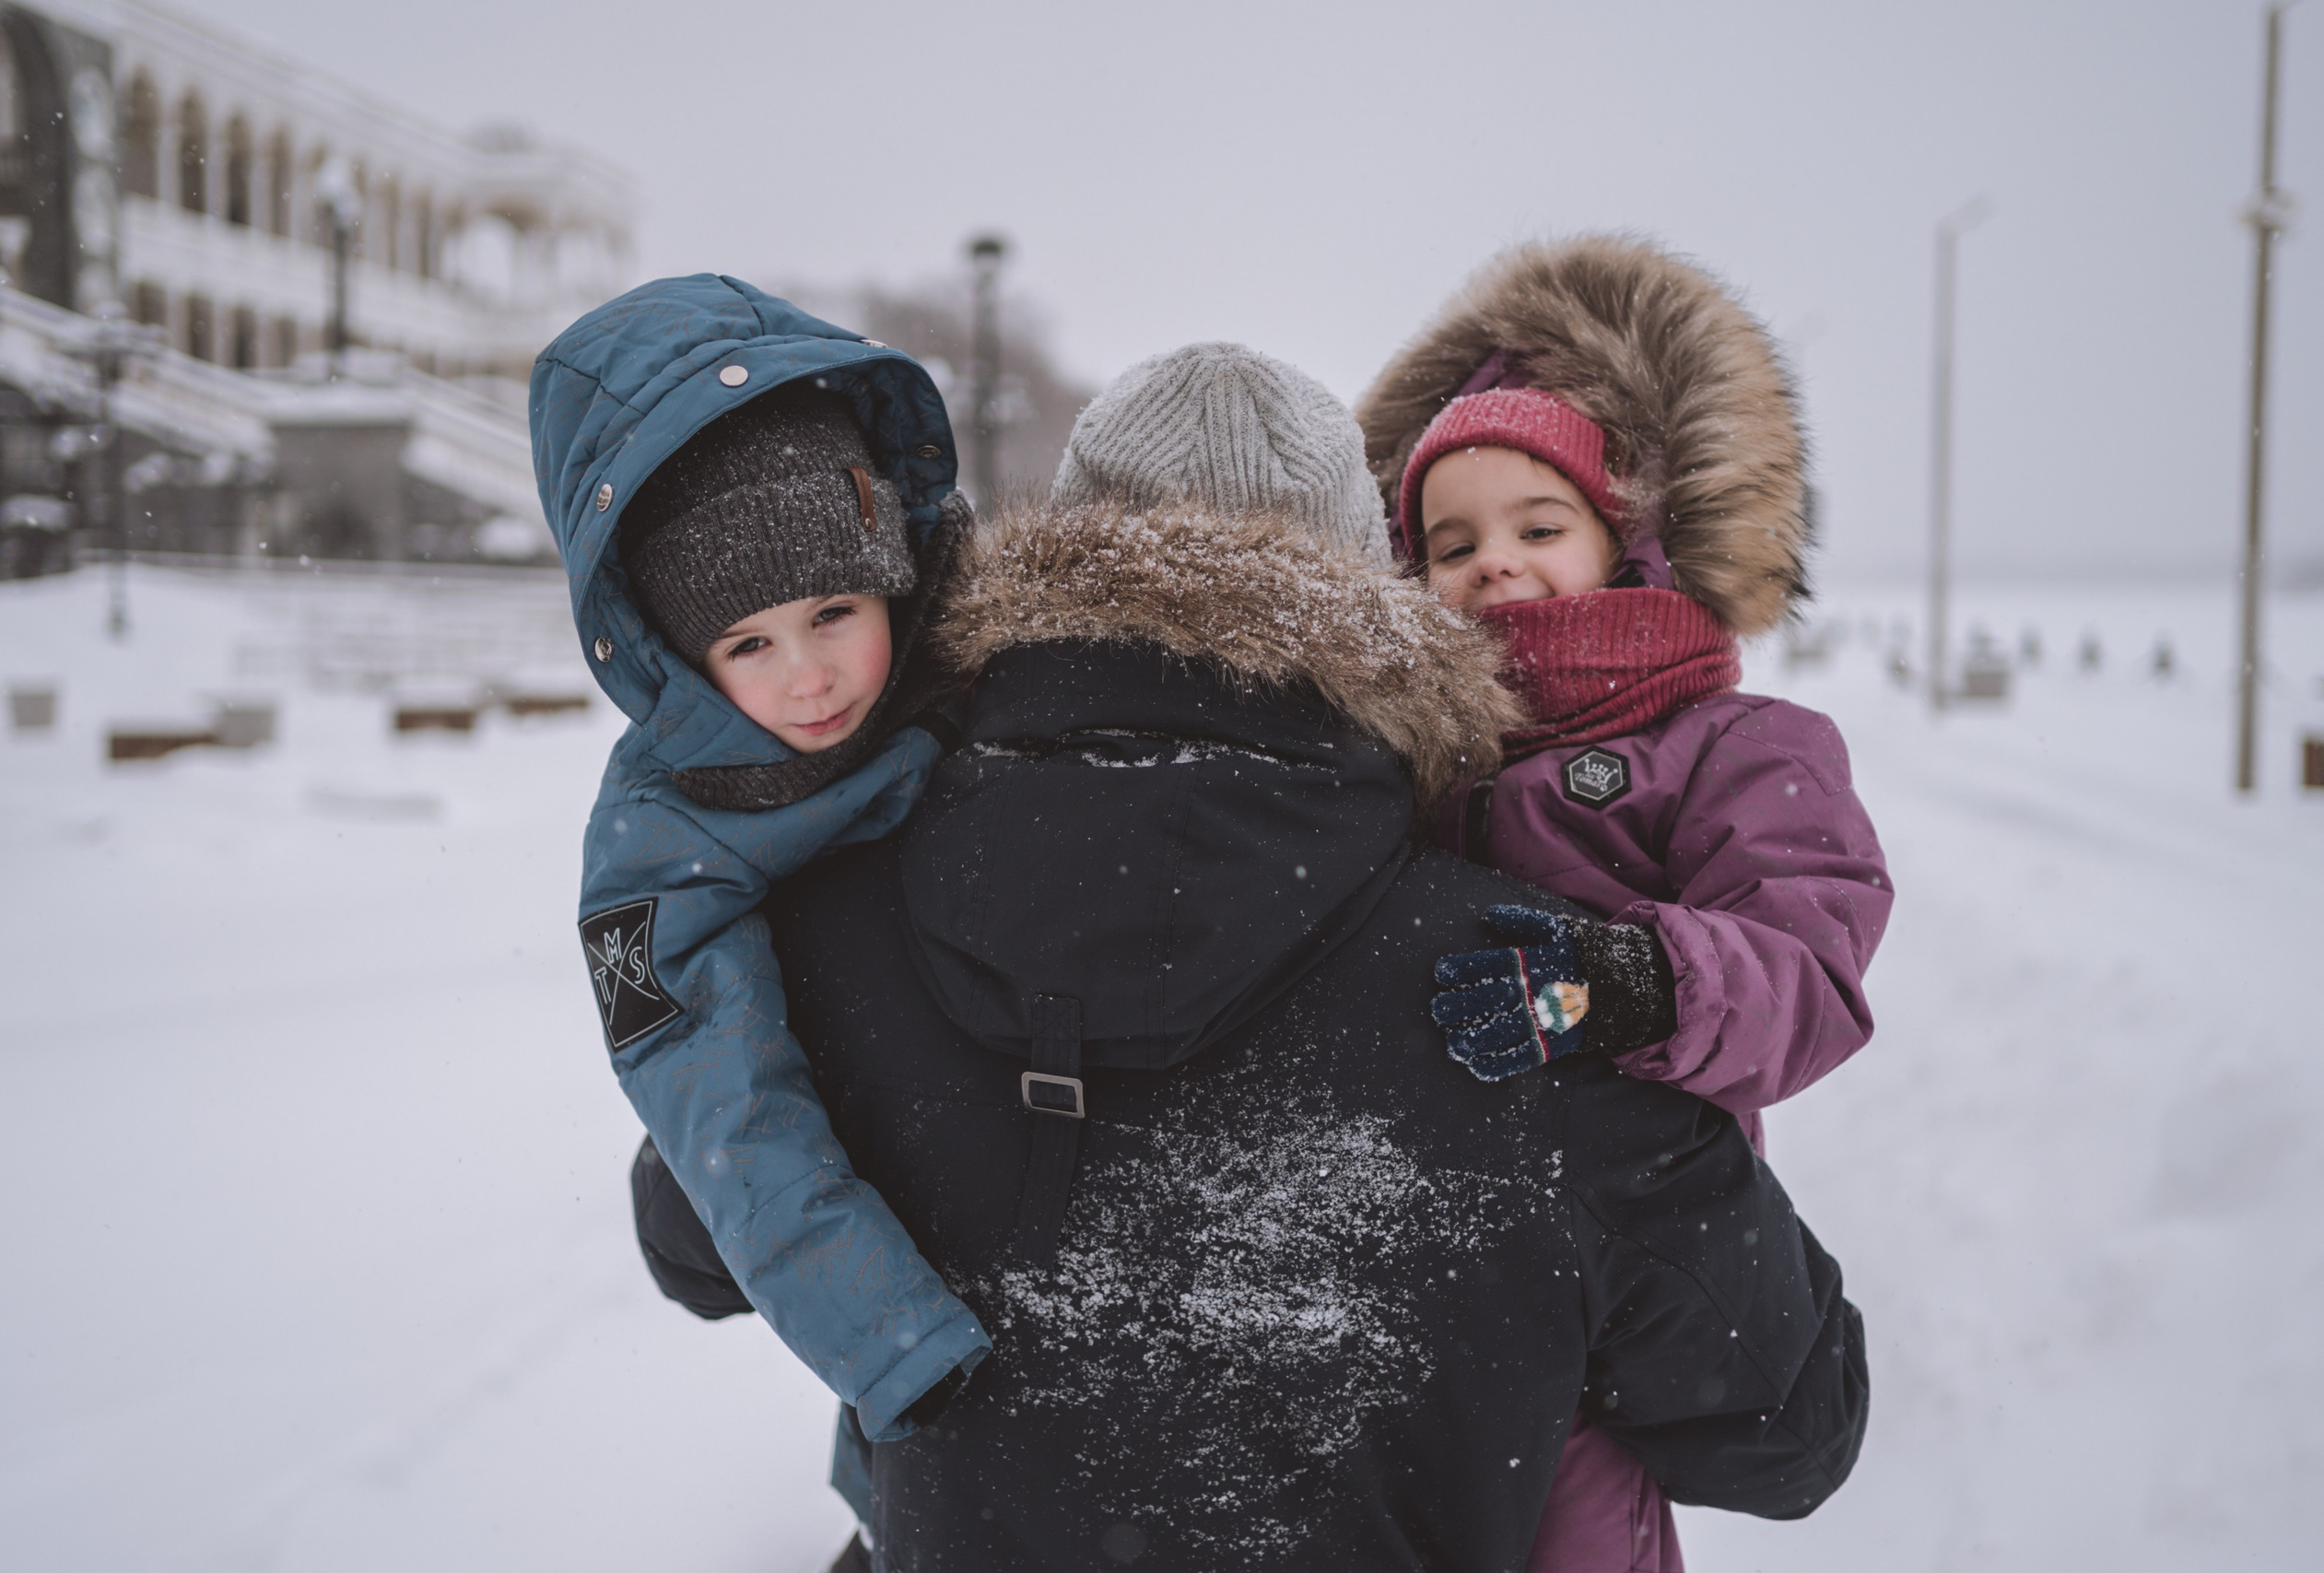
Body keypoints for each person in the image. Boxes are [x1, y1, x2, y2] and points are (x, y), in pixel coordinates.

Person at [641, 344, 1869, 1571]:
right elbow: (1796, 1428)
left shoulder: (845, 929)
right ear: (1371, 591)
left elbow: (689, 1234)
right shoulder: (1529, 985)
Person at [1357, 235, 1895, 1572]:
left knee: (1571, 1520)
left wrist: (1637, 977)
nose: (1497, 565)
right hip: (1418, 1234)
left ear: (1624, 539)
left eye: (1541, 528)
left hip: (1622, 1242)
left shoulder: (1728, 744)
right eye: (1452, 543)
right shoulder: (1398, 748)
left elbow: (1806, 970)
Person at [531, 275, 991, 1462]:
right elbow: (726, 1106)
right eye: (748, 643)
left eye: (836, 610)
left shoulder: (986, 678)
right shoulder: (665, 835)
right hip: (925, 1319)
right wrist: (887, 1340)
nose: (810, 678)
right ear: (679, 655)